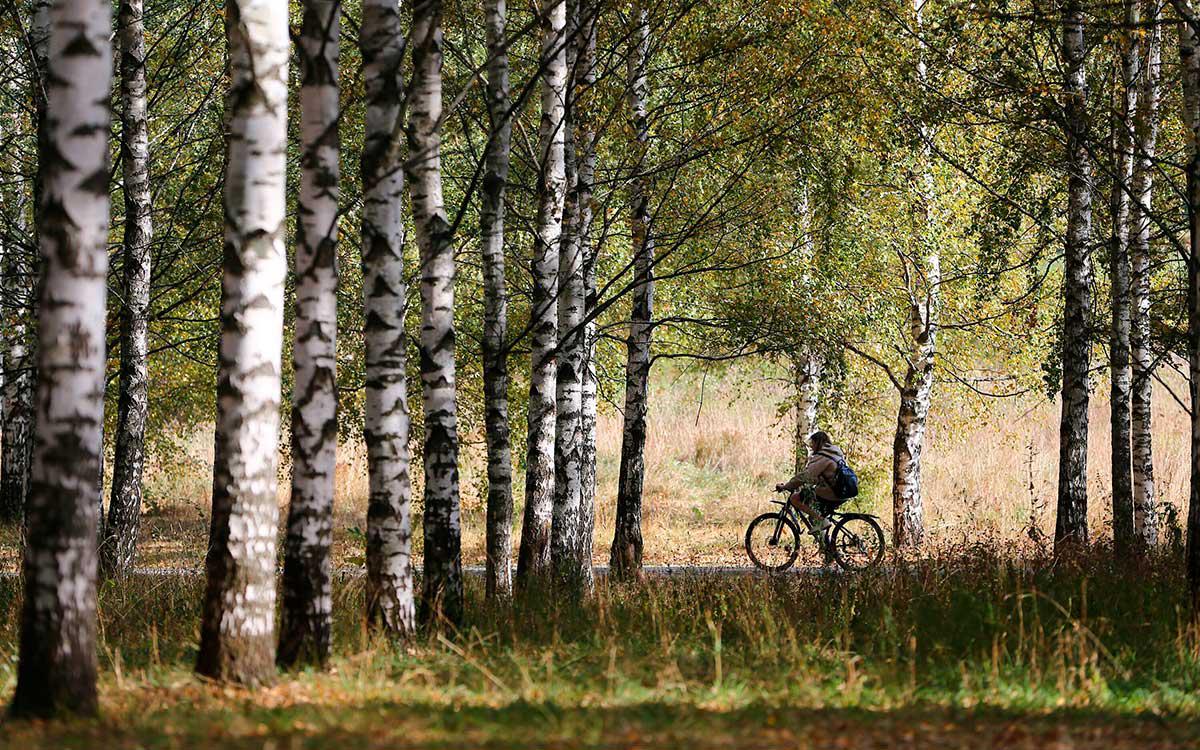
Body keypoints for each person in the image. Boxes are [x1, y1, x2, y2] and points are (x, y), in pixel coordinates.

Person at [775, 430, 846, 535]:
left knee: (794, 498)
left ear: (818, 443)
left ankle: (822, 521)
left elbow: (806, 476)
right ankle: (827, 547)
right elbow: (823, 476)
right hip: (841, 492)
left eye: (812, 443)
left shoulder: (823, 457)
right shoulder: (835, 453)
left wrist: (787, 486)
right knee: (813, 517)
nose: (811, 447)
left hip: (832, 493)